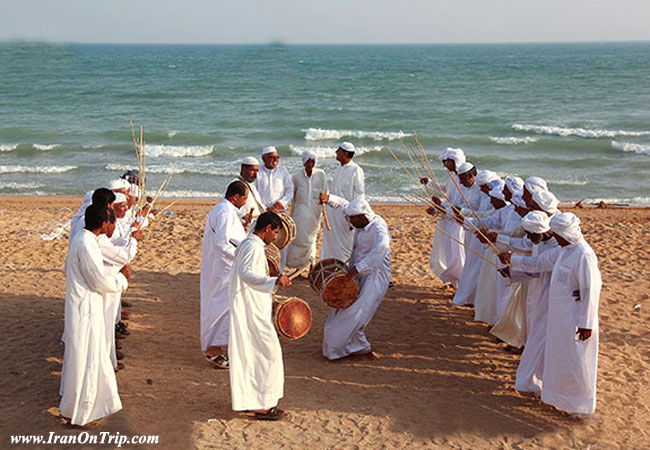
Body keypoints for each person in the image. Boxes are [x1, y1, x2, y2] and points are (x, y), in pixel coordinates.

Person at [508, 212, 601, 416]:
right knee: (558, 357)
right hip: (559, 317)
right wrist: (512, 261)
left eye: (557, 234)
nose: (554, 238)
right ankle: (558, 400)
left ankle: (578, 406)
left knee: (575, 360)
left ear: (566, 233)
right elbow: (539, 263)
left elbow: (591, 290)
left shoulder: (583, 254)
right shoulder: (564, 251)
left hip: (576, 318)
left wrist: (585, 323)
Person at [59, 203, 130, 428]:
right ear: (103, 223)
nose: (113, 226)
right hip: (85, 309)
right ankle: (82, 414)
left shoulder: (83, 239)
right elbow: (97, 280)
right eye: (112, 222)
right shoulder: (86, 244)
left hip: (83, 306)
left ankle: (74, 409)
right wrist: (121, 278)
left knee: (82, 359)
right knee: (87, 360)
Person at [228, 212, 292, 420]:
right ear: (266, 229)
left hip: (253, 307)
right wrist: (274, 281)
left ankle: (254, 402)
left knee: (254, 354)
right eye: (275, 232)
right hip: (251, 310)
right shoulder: (253, 248)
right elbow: (246, 274)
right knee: (267, 354)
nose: (276, 238)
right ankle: (261, 405)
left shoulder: (250, 245)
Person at [319, 194, 391, 360]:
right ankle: (357, 346)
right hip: (356, 272)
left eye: (353, 219)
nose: (350, 223)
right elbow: (344, 205)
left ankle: (356, 348)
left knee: (358, 313)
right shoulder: (358, 217)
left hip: (375, 276)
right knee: (344, 307)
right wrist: (329, 198)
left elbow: (382, 249)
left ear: (362, 216)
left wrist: (357, 269)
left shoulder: (378, 228)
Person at [200, 181, 249, 368]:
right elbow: (222, 243)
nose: (245, 202)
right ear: (235, 197)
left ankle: (219, 349)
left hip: (223, 269)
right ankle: (213, 351)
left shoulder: (225, 210)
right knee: (219, 310)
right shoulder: (224, 212)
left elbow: (228, 237)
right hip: (223, 269)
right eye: (244, 198)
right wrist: (241, 256)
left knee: (223, 308)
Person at [97, 194, 142, 371]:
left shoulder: (95, 238)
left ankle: (109, 358)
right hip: (104, 287)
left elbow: (117, 243)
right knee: (103, 327)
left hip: (108, 284)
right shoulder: (96, 241)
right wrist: (121, 277)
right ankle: (106, 362)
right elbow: (122, 254)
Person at [426, 147, 467, 288]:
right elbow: (447, 193)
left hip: (459, 222)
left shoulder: (464, 179)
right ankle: (455, 283)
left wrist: (442, 207)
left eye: (447, 162)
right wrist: (429, 184)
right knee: (450, 253)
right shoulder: (453, 178)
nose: (445, 166)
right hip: (449, 219)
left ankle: (462, 284)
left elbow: (462, 205)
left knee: (458, 255)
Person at [320, 142, 365, 262]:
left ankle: (343, 269)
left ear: (345, 154)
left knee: (346, 244)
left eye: (338, 150)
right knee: (330, 242)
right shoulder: (339, 168)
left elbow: (359, 196)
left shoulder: (356, 170)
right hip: (332, 214)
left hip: (345, 216)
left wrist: (354, 217)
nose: (336, 152)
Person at [286, 150, 328, 269]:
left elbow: (325, 192)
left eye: (313, 161)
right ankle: (299, 266)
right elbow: (292, 195)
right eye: (308, 161)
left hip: (314, 213)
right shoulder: (296, 176)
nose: (310, 164)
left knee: (312, 239)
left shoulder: (321, 174)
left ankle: (311, 265)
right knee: (299, 240)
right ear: (303, 162)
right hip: (299, 213)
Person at [234, 156, 265, 228]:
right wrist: (242, 216)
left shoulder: (251, 185)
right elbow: (228, 207)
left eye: (257, 171)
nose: (255, 175)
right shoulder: (236, 185)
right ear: (243, 169)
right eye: (252, 170)